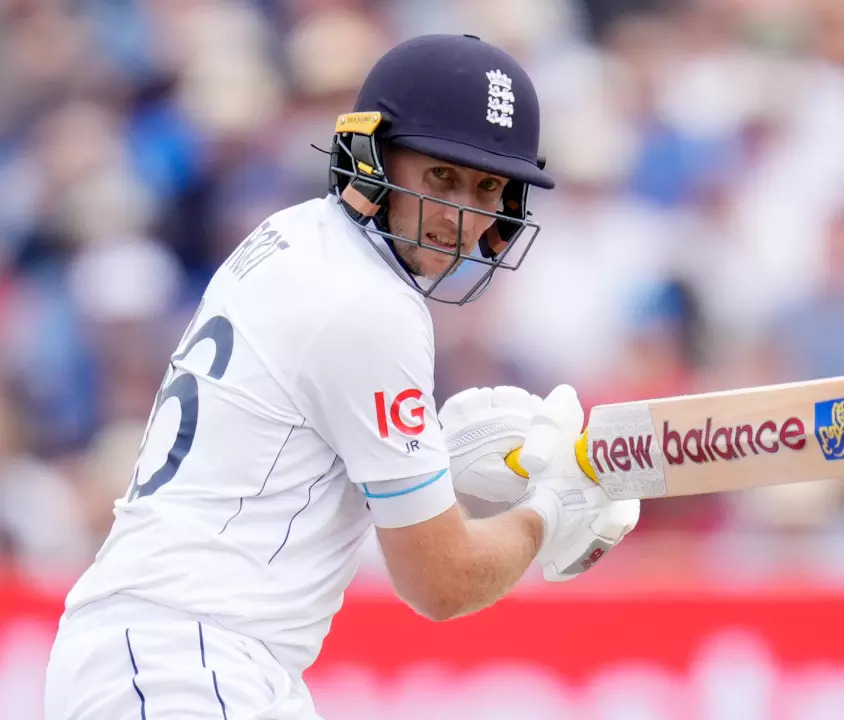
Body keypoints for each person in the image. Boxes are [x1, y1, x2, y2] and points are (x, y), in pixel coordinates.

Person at [43, 34, 640, 719]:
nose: (458, 218)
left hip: (179, 652)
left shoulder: (295, 234)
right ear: (373, 157)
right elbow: (439, 582)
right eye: (441, 177)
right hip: (184, 659)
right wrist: (550, 513)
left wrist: (431, 458)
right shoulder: (371, 304)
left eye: (487, 187)